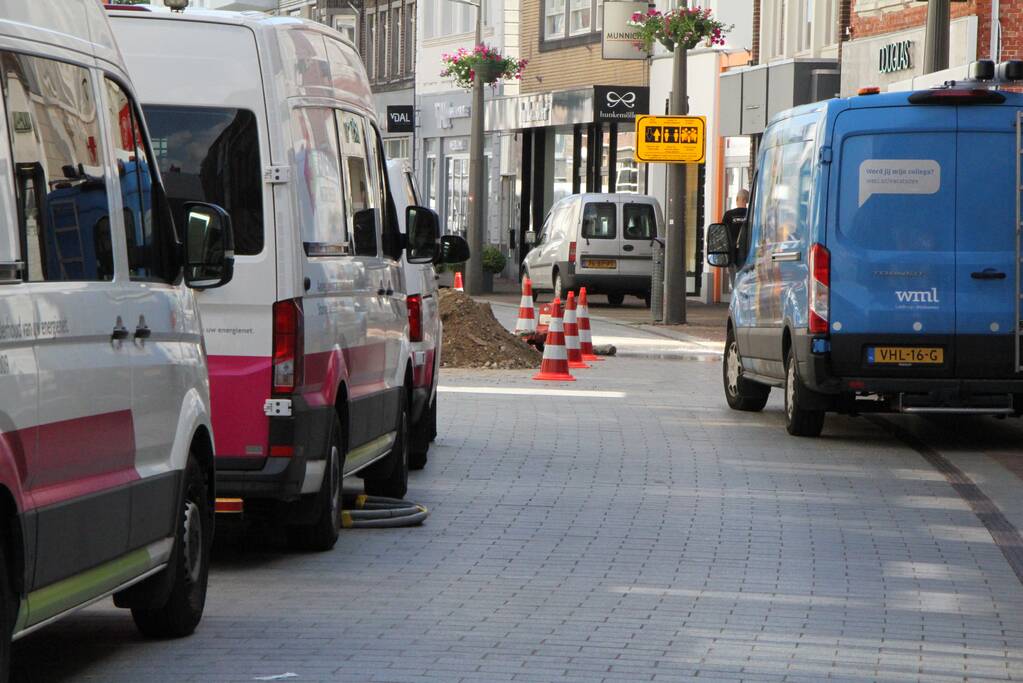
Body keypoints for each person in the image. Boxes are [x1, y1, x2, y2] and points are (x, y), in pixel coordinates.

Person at [720, 189, 748, 284]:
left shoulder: (728, 215)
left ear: (737, 199)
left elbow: (722, 233)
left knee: (734, 281)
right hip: (747, 252)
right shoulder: (751, 214)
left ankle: (735, 294)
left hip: (732, 253)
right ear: (747, 200)